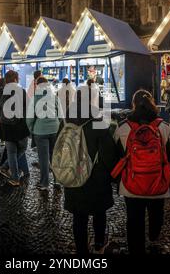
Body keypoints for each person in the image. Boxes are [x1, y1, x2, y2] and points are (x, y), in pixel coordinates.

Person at [114, 90, 170, 254]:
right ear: (152, 104)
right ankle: (153, 237)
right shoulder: (164, 127)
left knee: (134, 219)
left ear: (133, 105)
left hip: (131, 184)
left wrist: (116, 181)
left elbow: (117, 157)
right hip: (158, 182)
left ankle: (135, 249)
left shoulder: (123, 128)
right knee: (156, 214)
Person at [63, 88, 120, 254]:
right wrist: (113, 175)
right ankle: (99, 245)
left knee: (78, 216)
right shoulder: (98, 119)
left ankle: (81, 248)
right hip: (97, 176)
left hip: (74, 173)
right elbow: (108, 151)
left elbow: (60, 146)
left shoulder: (66, 119)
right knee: (99, 212)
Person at [26, 77, 61, 191]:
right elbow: (61, 115)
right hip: (55, 130)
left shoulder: (35, 98)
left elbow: (30, 117)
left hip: (40, 131)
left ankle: (44, 183)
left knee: (43, 158)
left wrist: (32, 130)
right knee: (54, 156)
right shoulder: (55, 97)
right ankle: (57, 180)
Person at [0, 70, 30, 186]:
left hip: (6, 127)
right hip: (20, 126)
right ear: (16, 79)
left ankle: (15, 179)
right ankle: (5, 166)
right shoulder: (21, 91)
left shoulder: (3, 92)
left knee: (11, 152)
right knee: (23, 148)